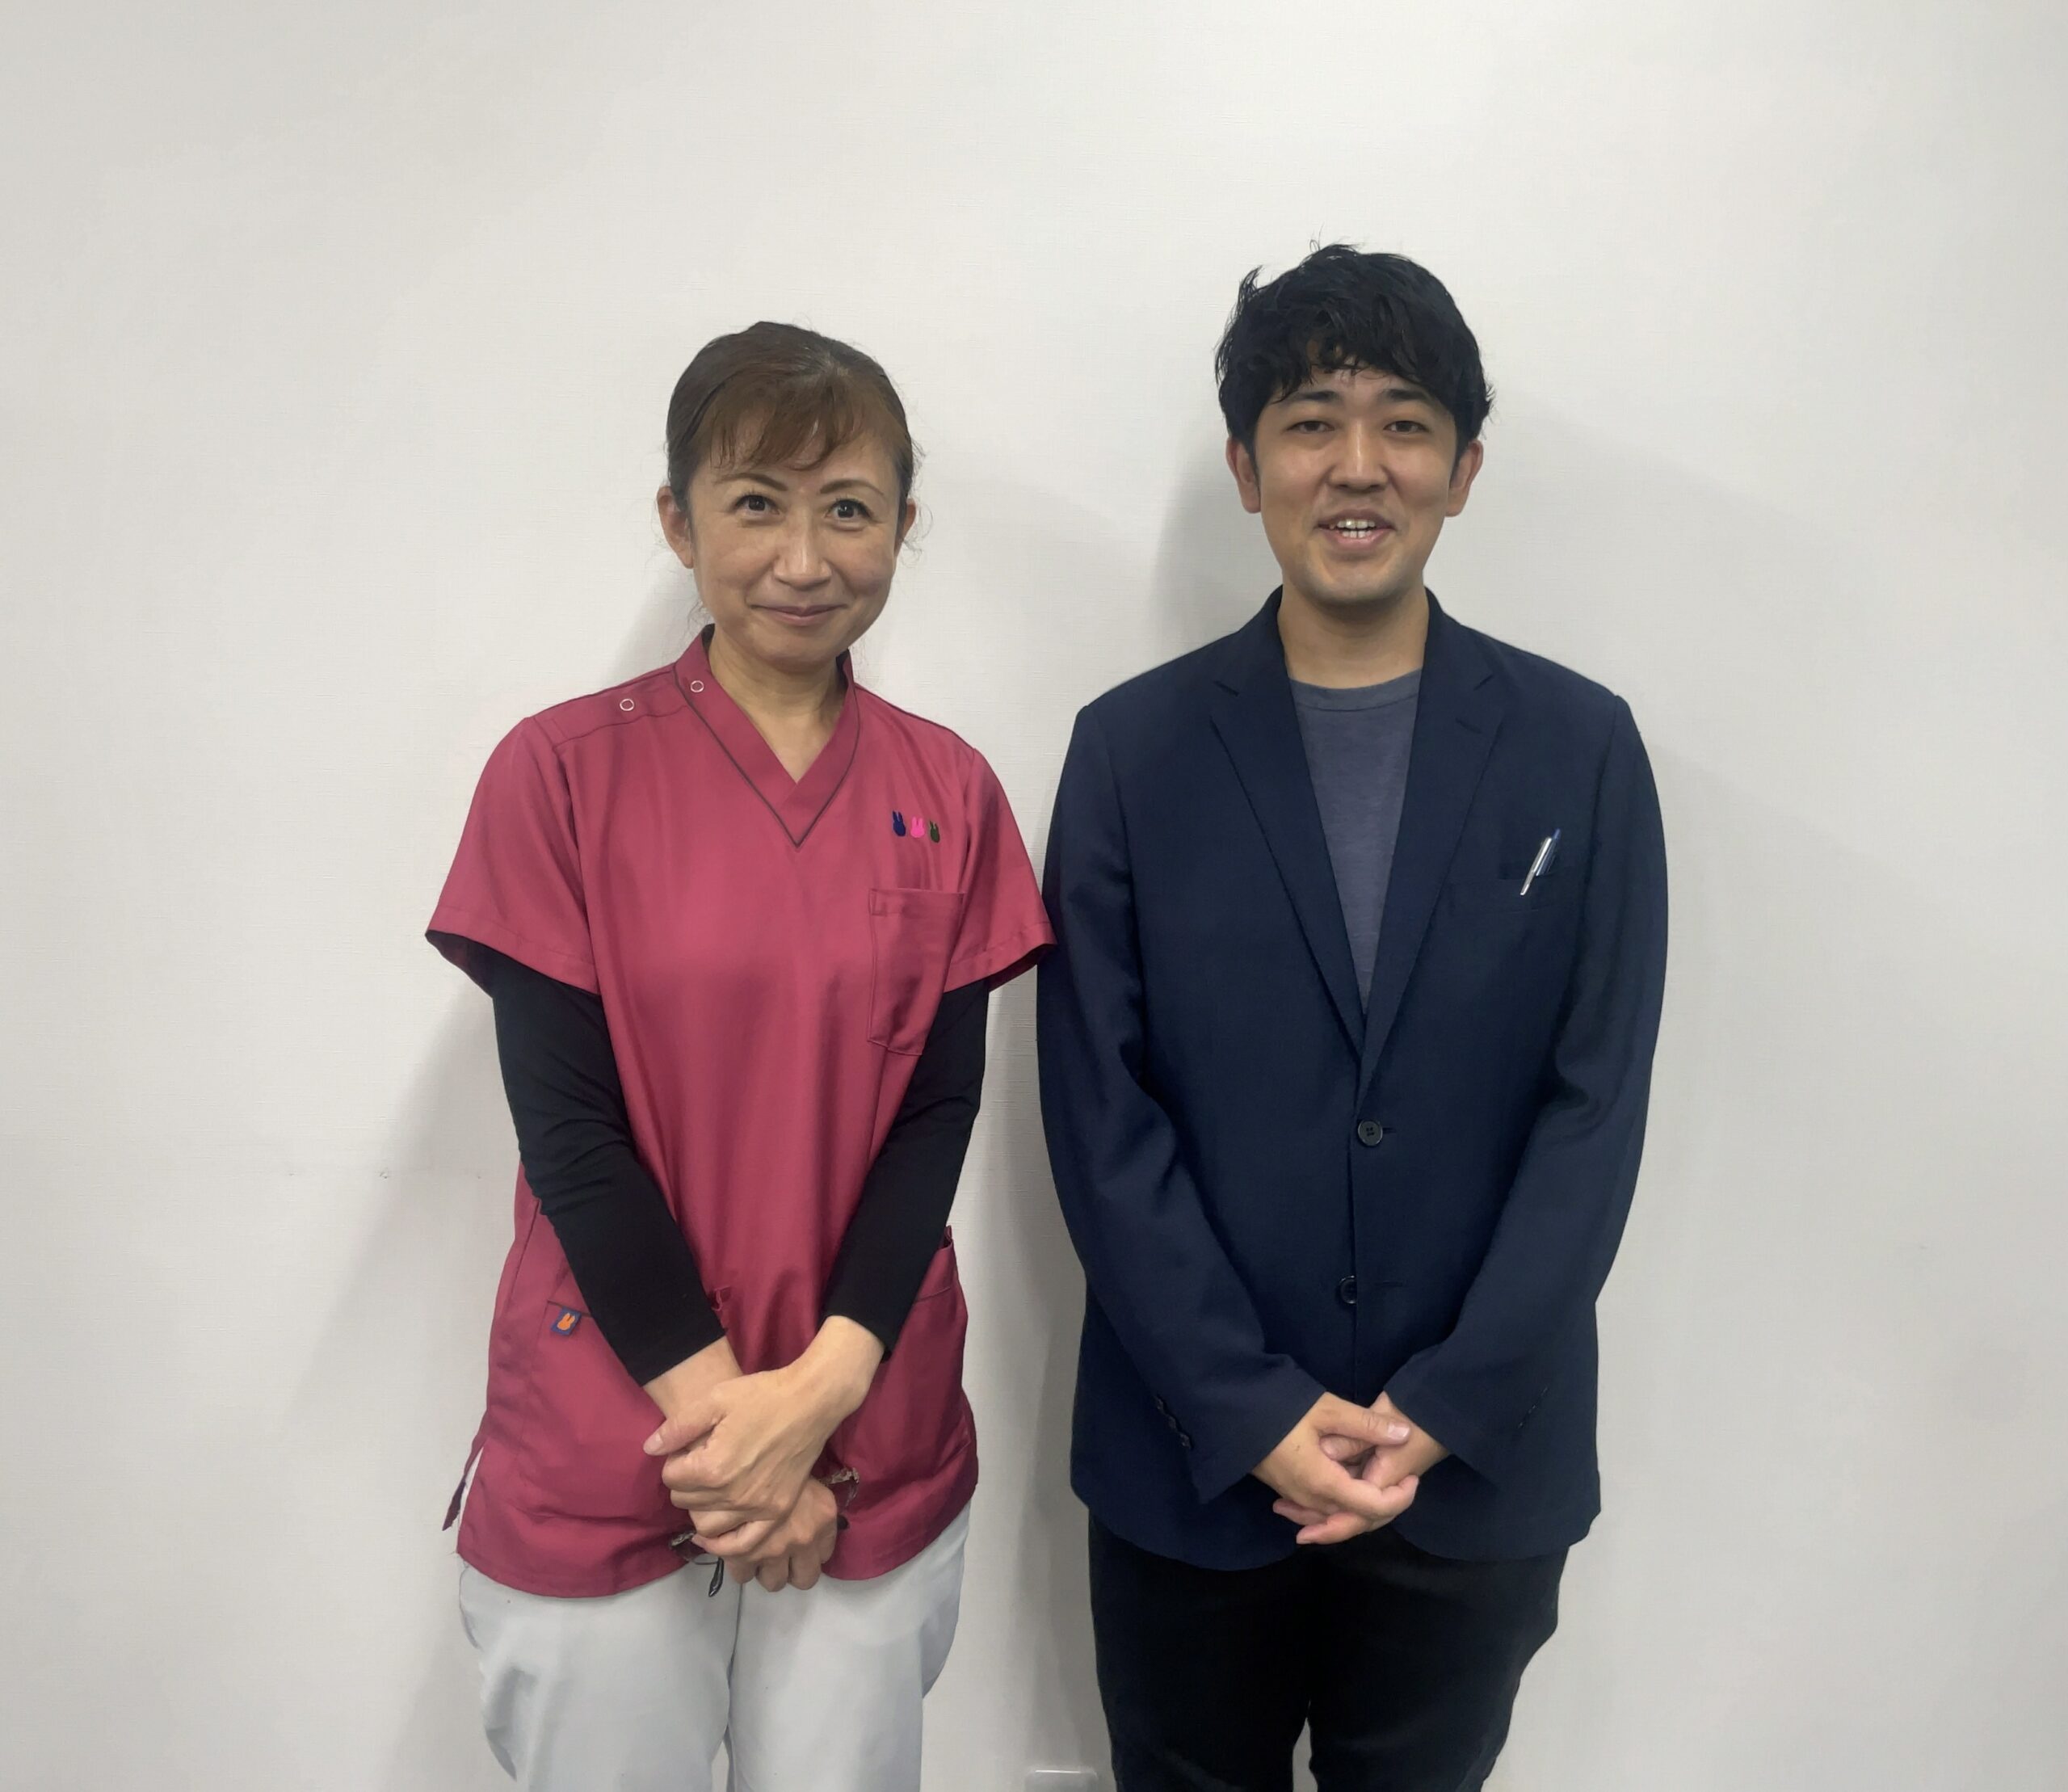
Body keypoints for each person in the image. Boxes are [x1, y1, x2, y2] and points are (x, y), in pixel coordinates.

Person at [1037, 246, 1669, 1790]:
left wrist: (1444, 1403)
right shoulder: (1129, 752)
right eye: (1312, 421)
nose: (1358, 464)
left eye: (1404, 423)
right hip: (1192, 1461)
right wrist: (1248, 1406)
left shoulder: (1581, 748)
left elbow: (1593, 1111)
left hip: (1471, 1471)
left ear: (1465, 468)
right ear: (1247, 466)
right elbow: (1101, 1115)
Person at [427, 322, 1052, 1792]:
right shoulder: (559, 774)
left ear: (902, 525)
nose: (803, 557)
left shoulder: (949, 788)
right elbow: (571, 1135)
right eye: (756, 503)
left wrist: (817, 1398)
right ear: (679, 520)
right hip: (618, 1425)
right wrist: (742, 1438)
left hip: (865, 1415)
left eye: (850, 508)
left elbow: (937, 1112)